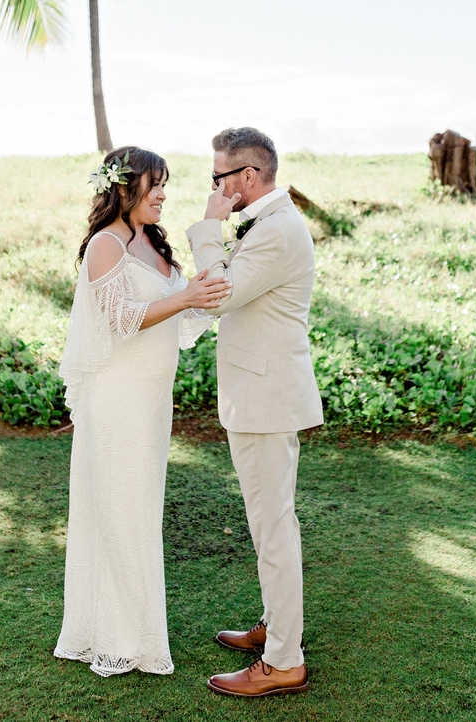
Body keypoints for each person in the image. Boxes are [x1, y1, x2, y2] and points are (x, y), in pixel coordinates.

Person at [54, 146, 230, 678]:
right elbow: (120, 320)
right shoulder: (105, 246)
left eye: (165, 185)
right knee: (120, 511)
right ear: (124, 188)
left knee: (139, 512)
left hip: (152, 402)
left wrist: (211, 234)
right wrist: (184, 299)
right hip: (117, 401)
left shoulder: (153, 243)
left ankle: (130, 631)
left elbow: (190, 304)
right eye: (155, 185)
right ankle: (118, 639)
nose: (162, 195)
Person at [186, 126, 324, 697]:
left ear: (247, 176)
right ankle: (277, 627)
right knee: (269, 522)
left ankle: (284, 659)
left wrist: (207, 226)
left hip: (266, 401)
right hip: (258, 395)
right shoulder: (270, 223)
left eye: (219, 175)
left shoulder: (277, 230)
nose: (214, 185)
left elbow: (220, 293)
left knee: (272, 528)